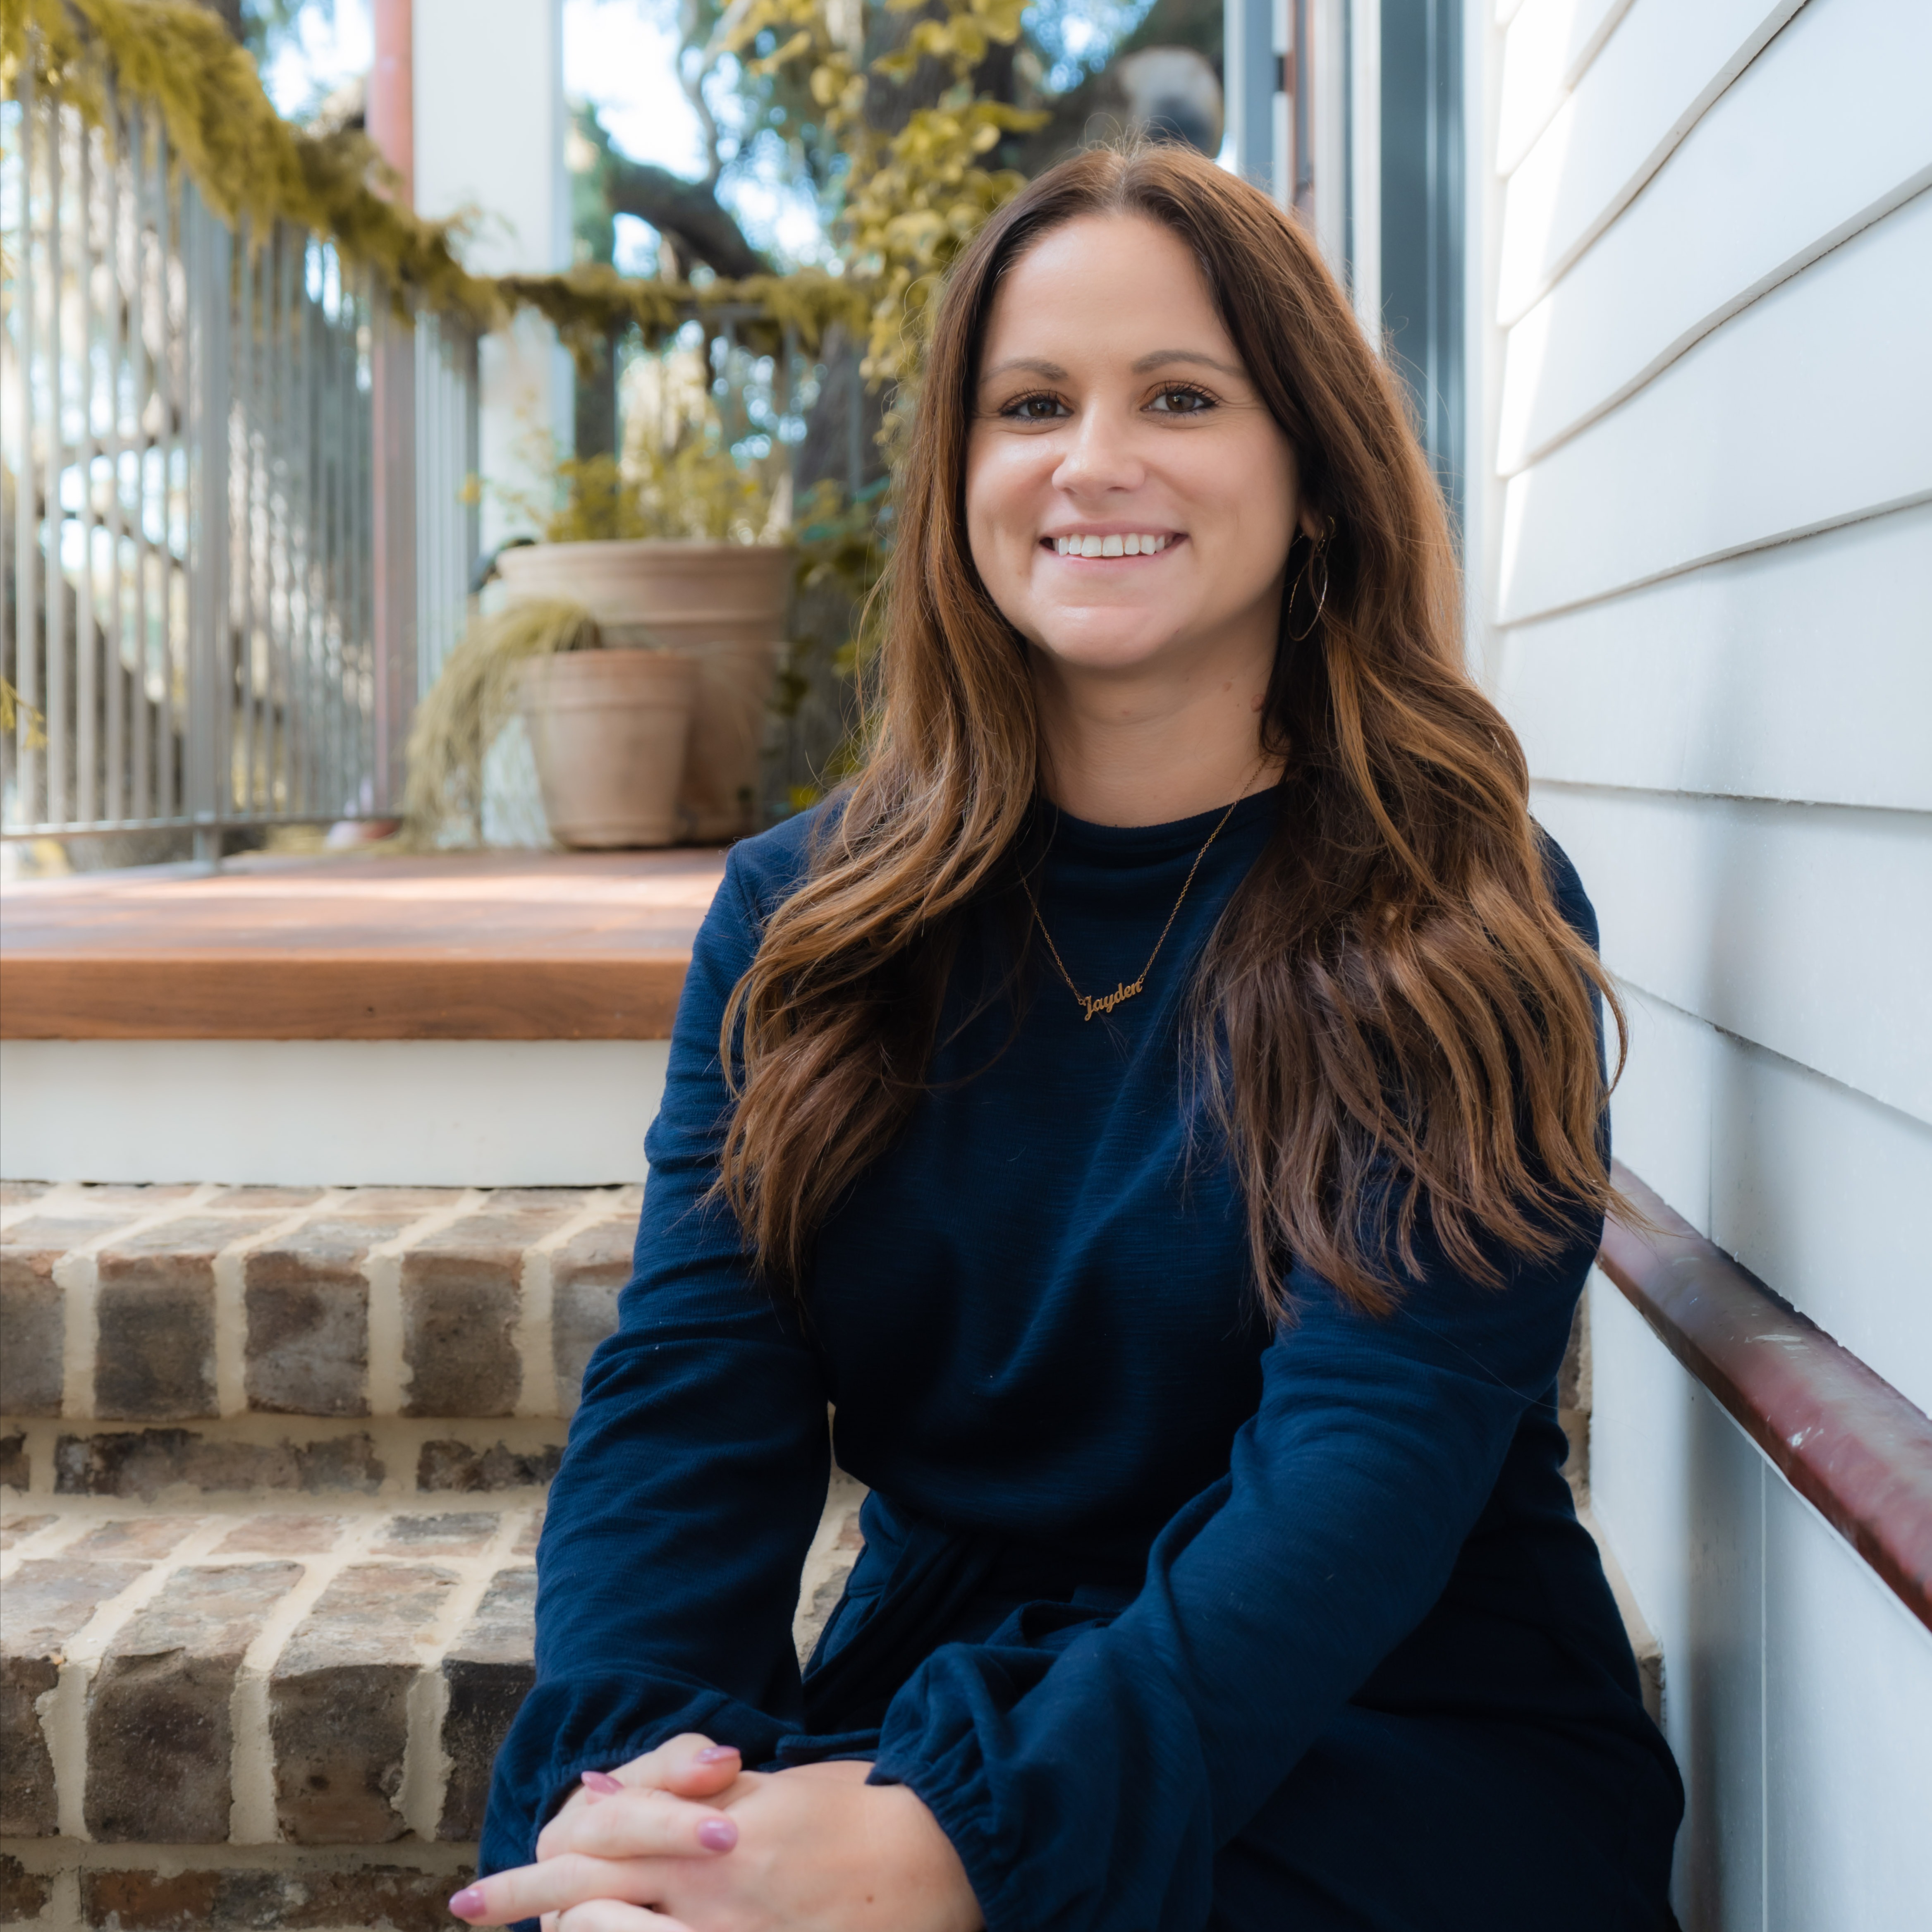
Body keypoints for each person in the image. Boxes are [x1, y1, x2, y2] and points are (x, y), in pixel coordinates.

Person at [454, 142, 1683, 1932]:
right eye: (1030, 403)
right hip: (957, 1688)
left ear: (1314, 474)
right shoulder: (807, 920)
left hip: (1384, 1723)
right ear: (960, 473)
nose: (1091, 461)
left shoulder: (1453, 907)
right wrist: (643, 1787)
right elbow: (688, 1397)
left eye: (1179, 396)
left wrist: (962, 1840)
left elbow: (1367, 1463)